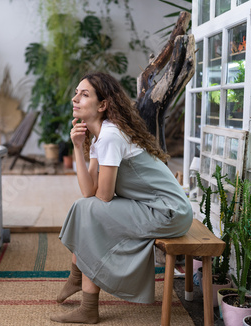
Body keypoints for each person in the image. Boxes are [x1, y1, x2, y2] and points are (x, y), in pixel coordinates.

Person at [50, 72, 193, 324]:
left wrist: (82, 153)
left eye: (84, 95)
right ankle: (80, 283)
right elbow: (87, 192)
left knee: (90, 210)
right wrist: (76, 147)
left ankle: (82, 290)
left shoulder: (110, 136)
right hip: (155, 207)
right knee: (84, 206)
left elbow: (103, 196)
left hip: (169, 211)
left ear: (103, 105)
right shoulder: (100, 136)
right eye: (76, 93)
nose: (75, 99)